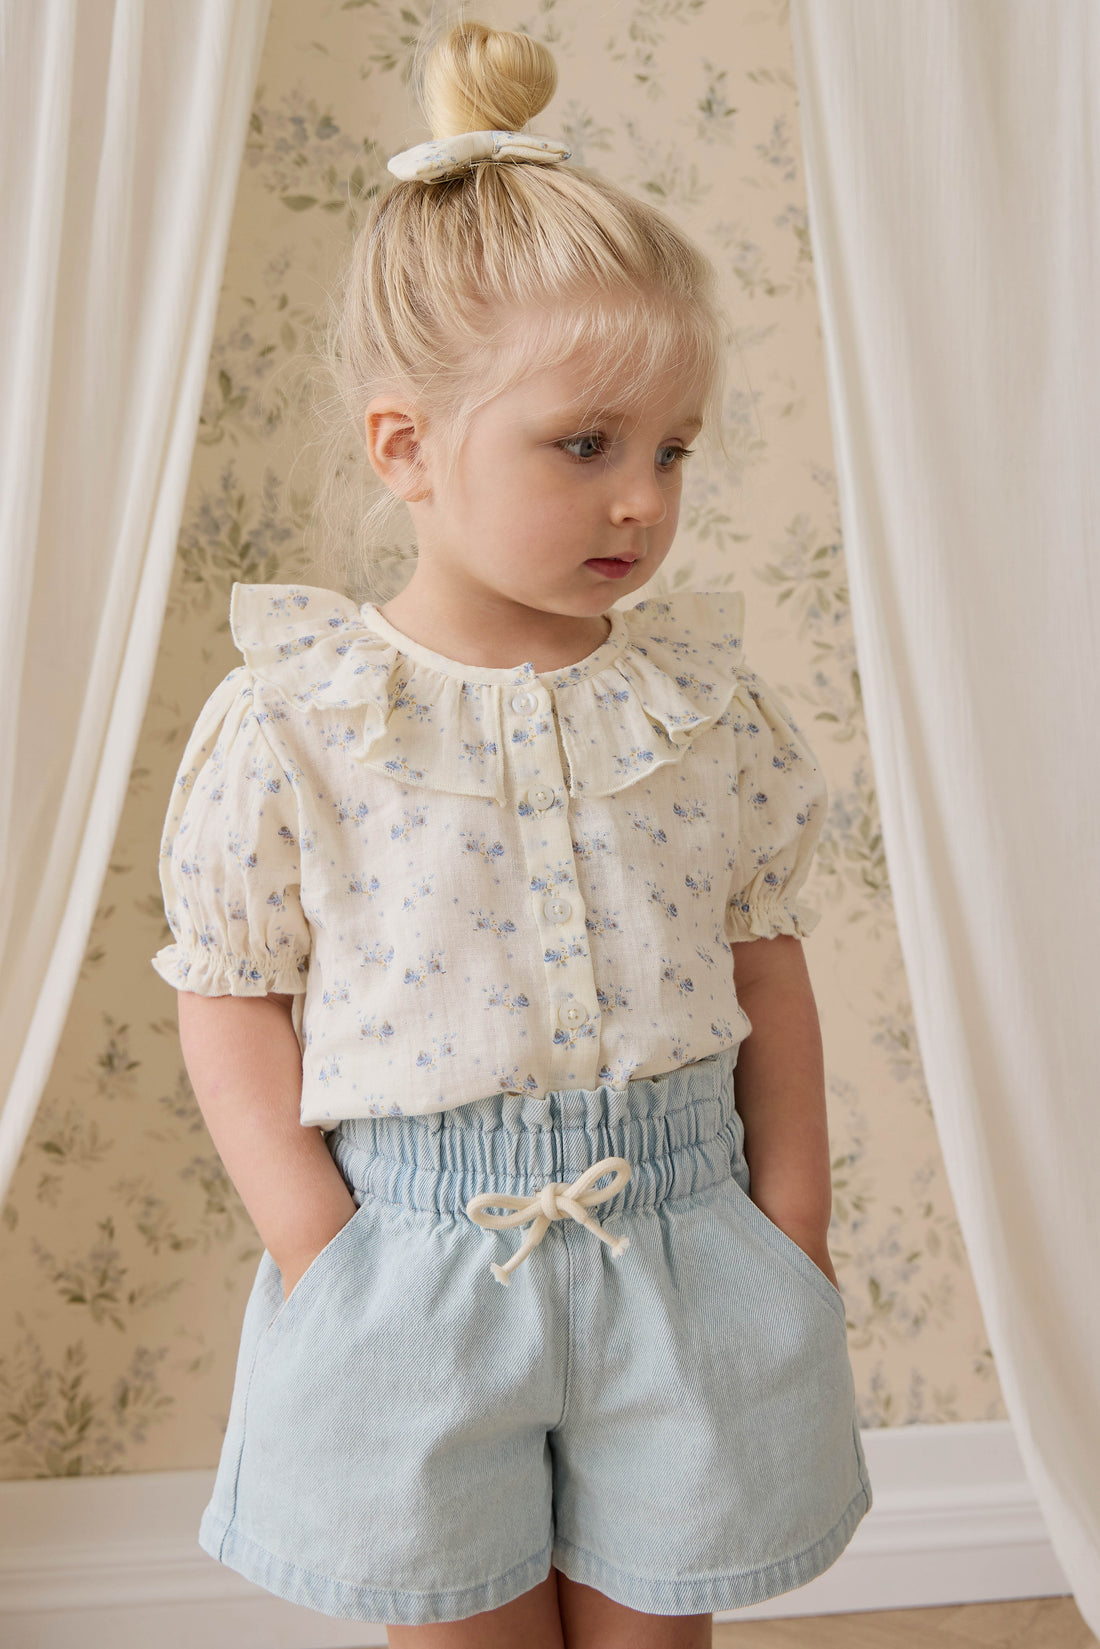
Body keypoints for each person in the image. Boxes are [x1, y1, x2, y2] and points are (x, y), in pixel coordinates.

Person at [150, 16, 872, 1648]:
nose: (643, 499)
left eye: (672, 451)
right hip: (411, 1267)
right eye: (586, 445)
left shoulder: (699, 707)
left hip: (682, 1245)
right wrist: (322, 1251)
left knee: (657, 1631)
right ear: (405, 445)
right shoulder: (302, 716)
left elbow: (766, 965)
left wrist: (793, 1227)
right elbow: (231, 990)